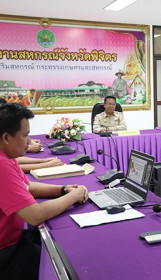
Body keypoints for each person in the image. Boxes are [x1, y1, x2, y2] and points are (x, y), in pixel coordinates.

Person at [0, 103, 88, 280]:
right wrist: (74, 196)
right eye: (25, 135)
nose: (29, 141)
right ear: (6, 137)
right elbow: (35, 215)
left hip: (13, 240)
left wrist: (63, 189)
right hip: (5, 251)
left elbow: (29, 187)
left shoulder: (7, 157)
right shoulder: (1, 164)